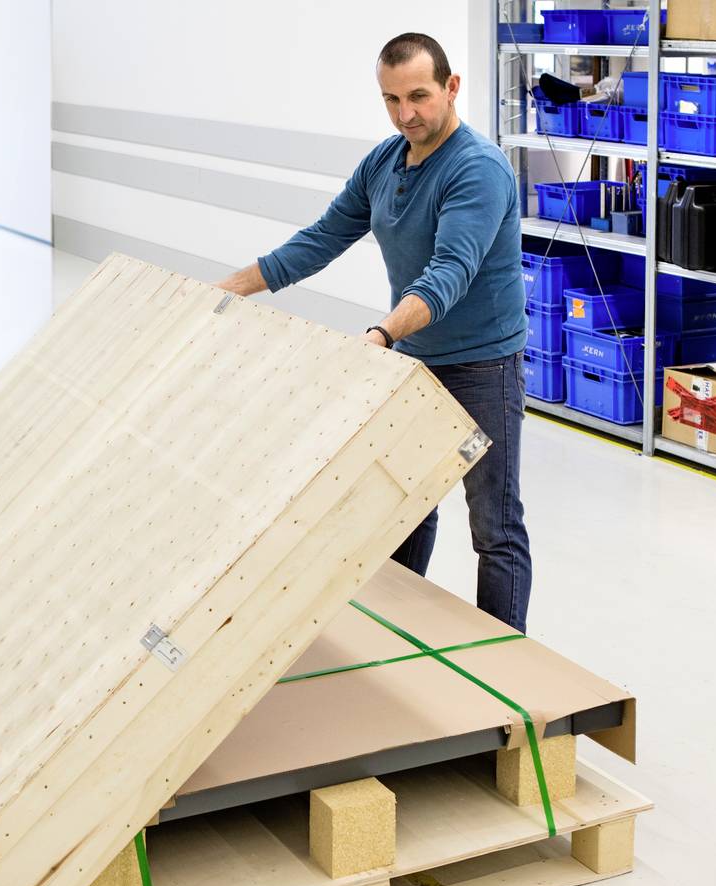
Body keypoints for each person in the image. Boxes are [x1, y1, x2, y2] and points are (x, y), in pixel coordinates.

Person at [217, 32, 532, 633]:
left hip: (482, 368)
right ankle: (390, 635)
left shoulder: (478, 169)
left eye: (418, 96)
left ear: (451, 87)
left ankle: (506, 665)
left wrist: (381, 336)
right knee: (403, 510)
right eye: (391, 100)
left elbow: (449, 274)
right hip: (415, 358)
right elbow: (321, 238)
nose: (405, 114)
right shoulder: (385, 162)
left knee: (495, 527)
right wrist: (225, 291)